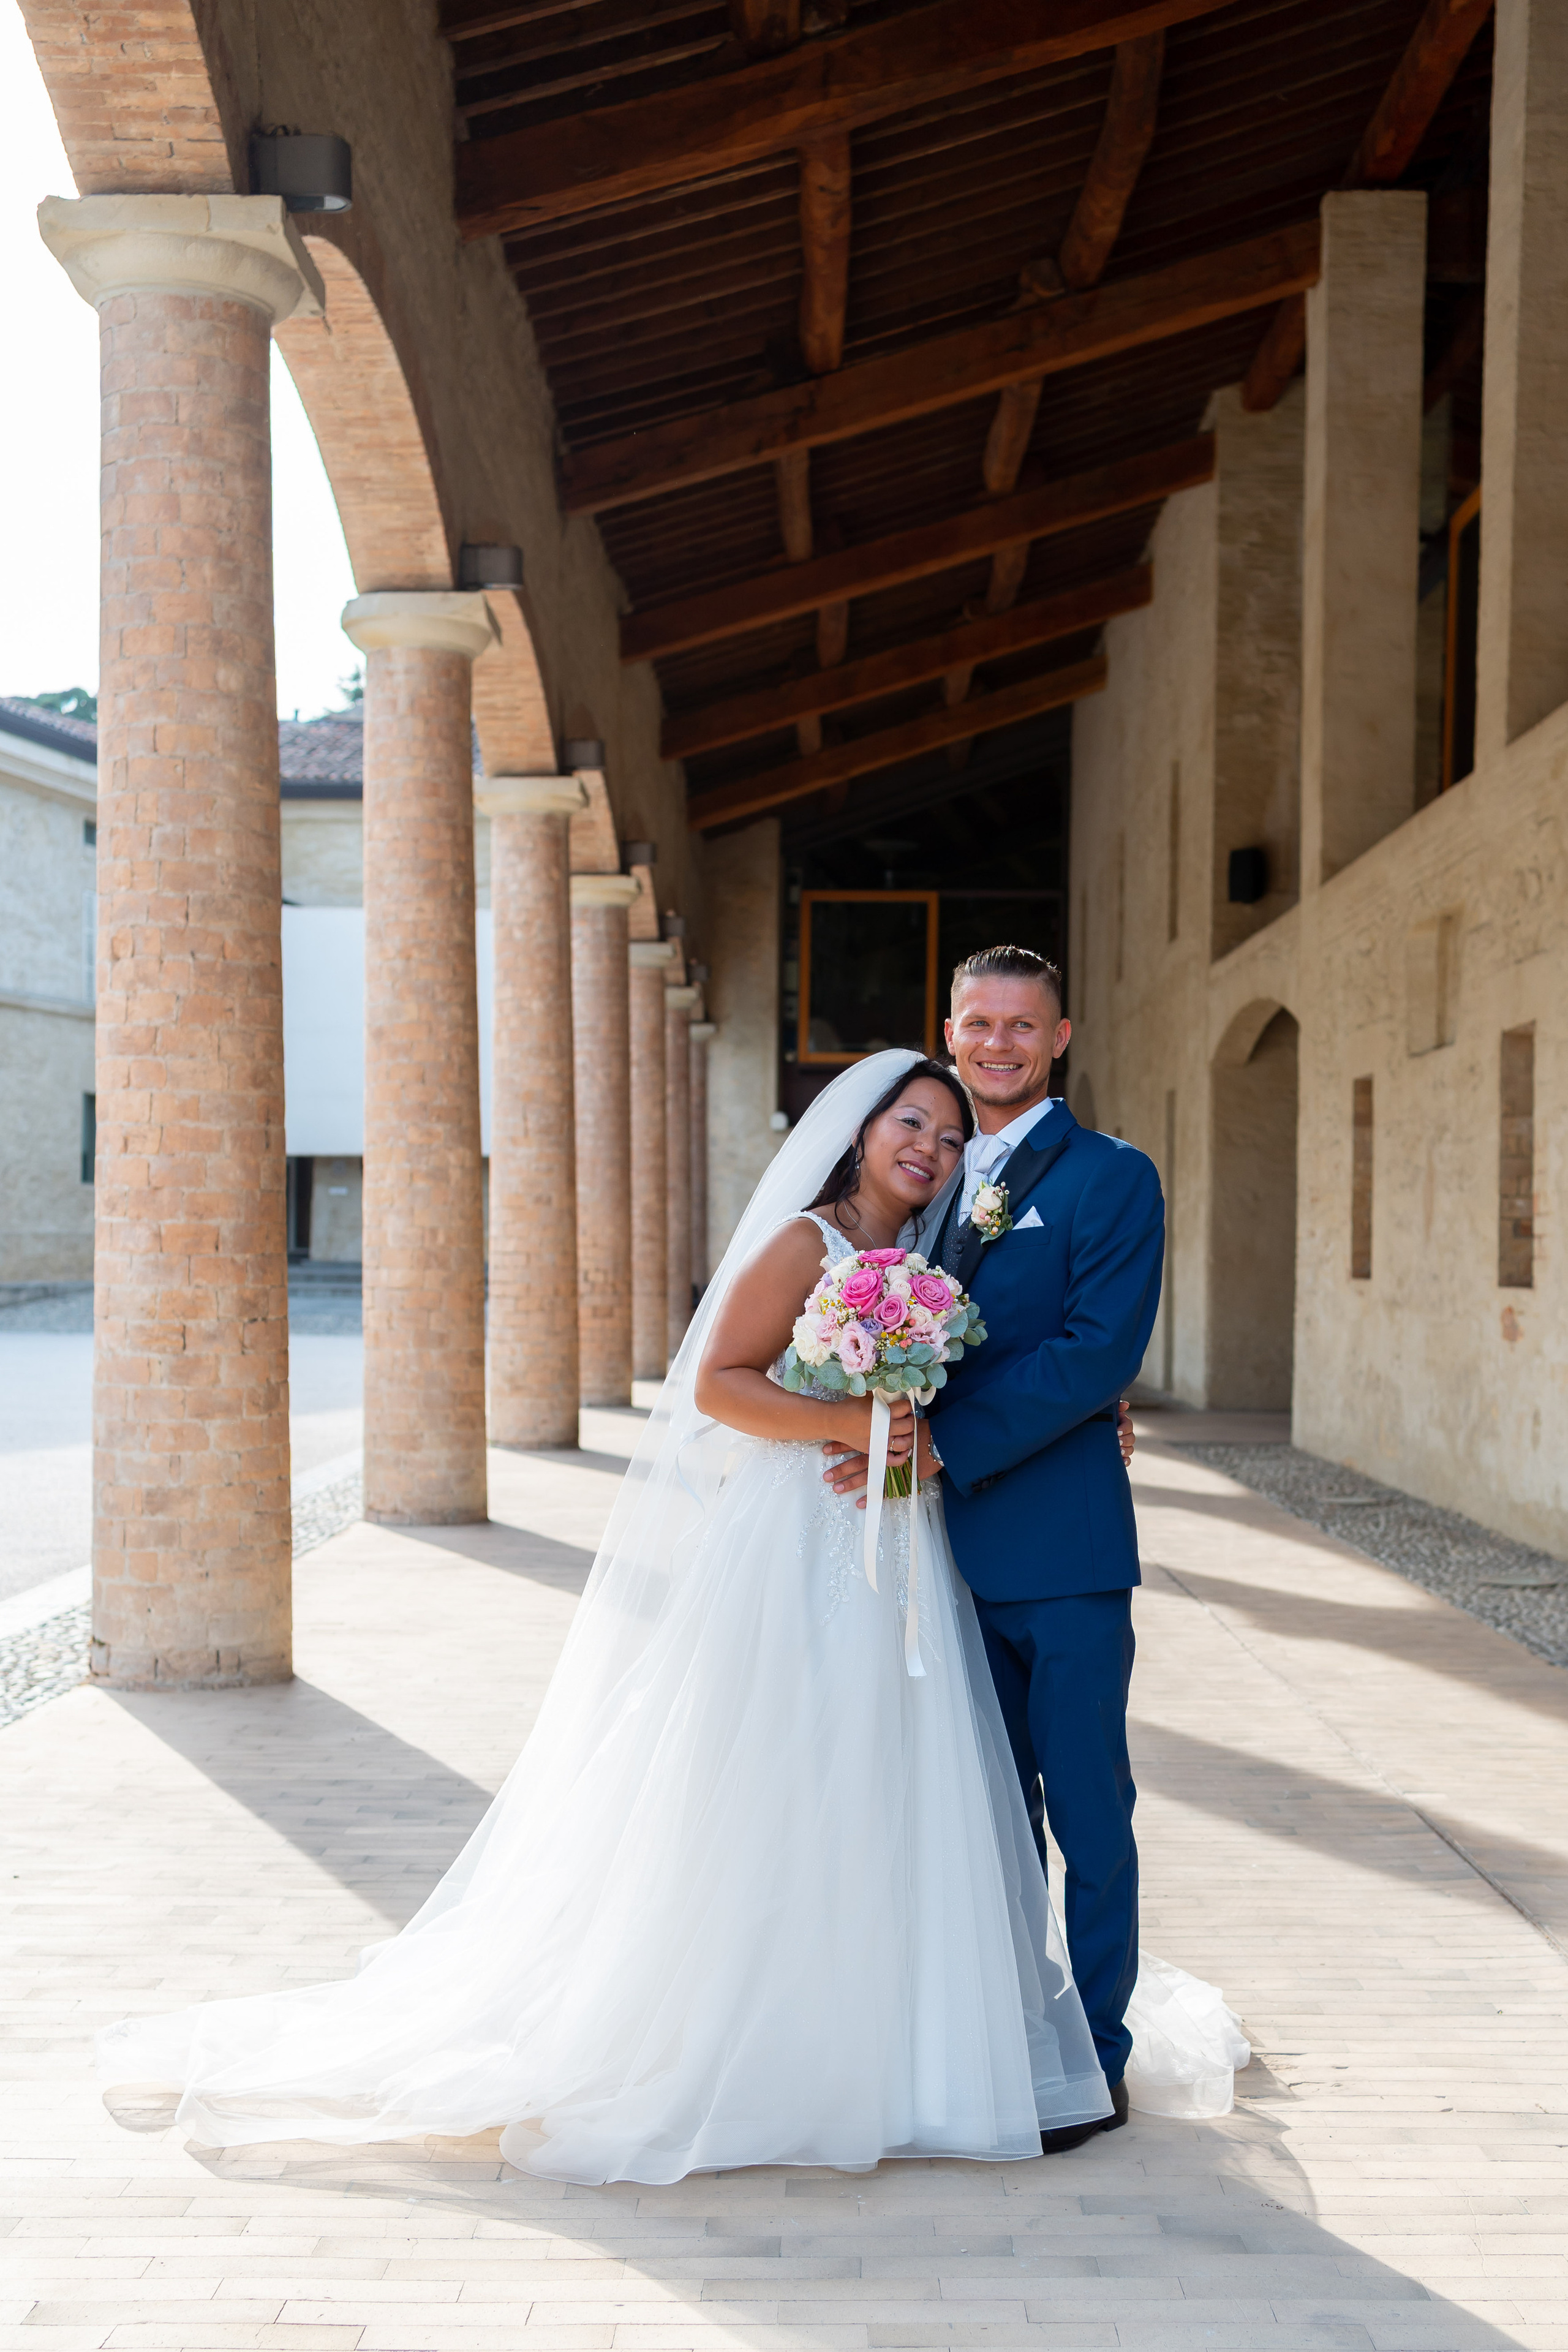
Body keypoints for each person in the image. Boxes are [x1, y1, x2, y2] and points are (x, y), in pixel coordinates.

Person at [97, 1051, 1117, 2183]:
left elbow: (977, 1377)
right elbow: (721, 1385)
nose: (925, 1147)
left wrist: (1067, 1411)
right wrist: (847, 1428)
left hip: (894, 1536)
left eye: (945, 1133)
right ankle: (759, 2037)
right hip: (798, 1538)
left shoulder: (922, 1258)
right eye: (908, 1123)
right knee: (780, 1767)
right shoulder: (805, 1242)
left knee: (887, 1771)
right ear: (861, 1130)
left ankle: (901, 2038)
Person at [825, 946, 1165, 2152]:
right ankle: (1005, 2037)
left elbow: (1091, 1355)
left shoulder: (1110, 1178)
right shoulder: (934, 1187)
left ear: (1059, 1037)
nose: (997, 1044)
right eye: (977, 1024)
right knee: (982, 1821)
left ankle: (1099, 2065)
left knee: (1084, 1813)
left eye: (1022, 1026)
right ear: (949, 1031)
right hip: (936, 1559)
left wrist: (933, 1447)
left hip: (1060, 1551)